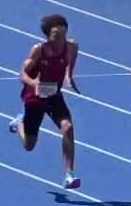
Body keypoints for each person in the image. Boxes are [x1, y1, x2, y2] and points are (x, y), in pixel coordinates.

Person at [10, 14, 82, 189]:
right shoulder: (38, 50)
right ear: (48, 36)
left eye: (63, 35)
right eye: (56, 36)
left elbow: (73, 55)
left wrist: (69, 75)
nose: (60, 40)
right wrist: (33, 82)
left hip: (54, 95)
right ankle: (19, 122)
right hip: (35, 97)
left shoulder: (71, 46)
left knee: (68, 127)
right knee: (29, 145)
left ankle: (69, 175)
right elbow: (22, 74)